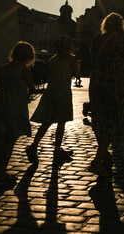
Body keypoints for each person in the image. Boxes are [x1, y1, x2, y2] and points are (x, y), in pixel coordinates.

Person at [89, 13, 124, 176]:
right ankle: (97, 162)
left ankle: (105, 156)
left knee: (99, 119)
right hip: (116, 85)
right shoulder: (120, 39)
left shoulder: (96, 38)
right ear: (120, 25)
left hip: (97, 83)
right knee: (112, 121)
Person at [0, 42, 38, 185]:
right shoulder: (24, 70)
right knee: (11, 141)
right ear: (28, 56)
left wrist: (2, 95)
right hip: (17, 109)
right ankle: (1, 175)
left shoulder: (2, 68)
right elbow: (32, 90)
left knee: (9, 139)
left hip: (3, 109)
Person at [26, 35, 80, 163]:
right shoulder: (71, 58)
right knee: (61, 123)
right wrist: (77, 65)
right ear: (67, 46)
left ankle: (33, 146)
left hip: (50, 93)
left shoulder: (52, 59)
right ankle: (56, 151)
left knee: (47, 122)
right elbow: (77, 75)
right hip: (63, 93)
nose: (73, 47)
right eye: (71, 44)